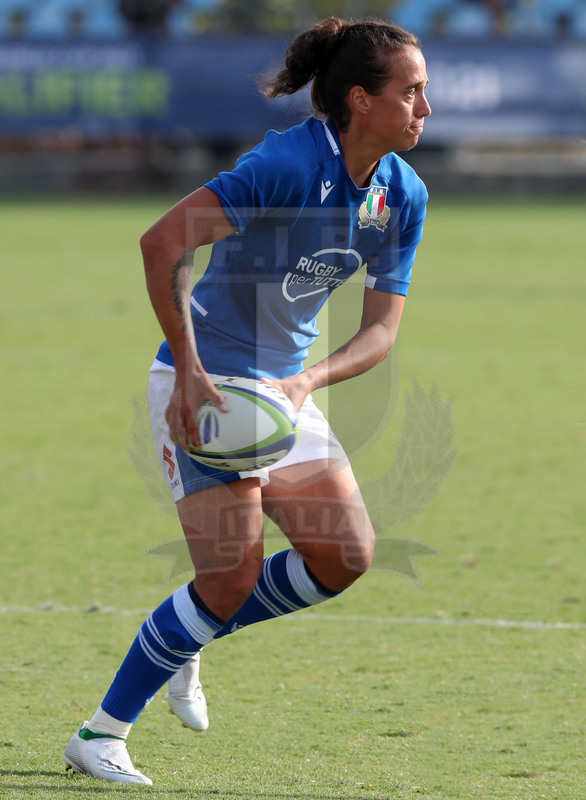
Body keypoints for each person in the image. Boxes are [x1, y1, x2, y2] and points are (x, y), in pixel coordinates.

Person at [64, 16, 431, 785]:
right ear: (361, 100)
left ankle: (191, 630)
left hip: (280, 393)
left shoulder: (402, 194)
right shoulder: (288, 163)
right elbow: (163, 241)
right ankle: (100, 735)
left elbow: (381, 331)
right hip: (207, 386)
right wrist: (191, 373)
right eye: (412, 92)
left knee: (345, 555)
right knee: (230, 578)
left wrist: (304, 383)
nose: (425, 108)